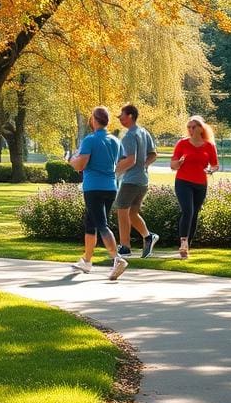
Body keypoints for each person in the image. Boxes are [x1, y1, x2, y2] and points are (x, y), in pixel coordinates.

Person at [69, 106, 128, 280]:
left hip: (93, 187)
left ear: (94, 120)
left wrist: (72, 160)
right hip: (110, 187)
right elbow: (117, 163)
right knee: (91, 223)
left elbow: (81, 165)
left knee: (101, 224)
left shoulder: (90, 140)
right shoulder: (115, 141)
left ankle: (117, 259)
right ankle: (86, 261)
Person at [115, 104, 160, 261]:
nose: (120, 118)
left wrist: (114, 170)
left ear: (130, 116)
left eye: (122, 115)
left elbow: (130, 160)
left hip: (131, 181)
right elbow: (153, 155)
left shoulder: (129, 136)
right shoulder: (143, 132)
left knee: (121, 210)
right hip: (142, 180)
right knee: (132, 213)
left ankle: (125, 247)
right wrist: (144, 167)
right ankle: (148, 237)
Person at [170, 115, 219, 259]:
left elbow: (215, 164)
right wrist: (178, 162)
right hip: (183, 181)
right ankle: (183, 242)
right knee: (187, 211)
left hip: (200, 184)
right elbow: (173, 165)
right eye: (189, 127)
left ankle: (187, 246)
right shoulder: (182, 144)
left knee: (194, 213)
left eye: (193, 127)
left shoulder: (209, 146)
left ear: (201, 128)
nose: (190, 130)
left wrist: (211, 169)